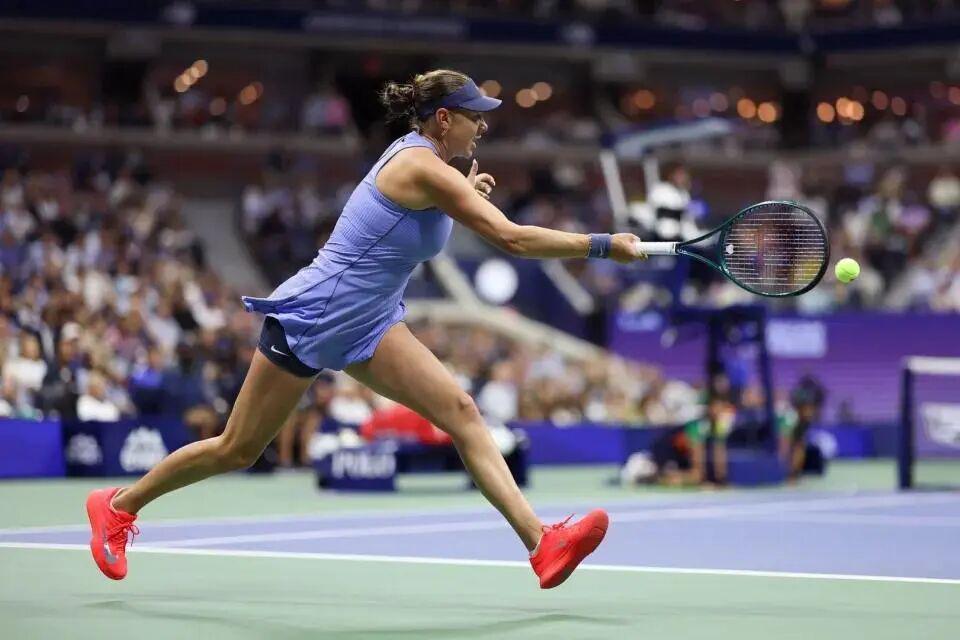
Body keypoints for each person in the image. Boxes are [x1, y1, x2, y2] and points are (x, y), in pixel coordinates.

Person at [85, 69, 647, 589]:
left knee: (461, 411)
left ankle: (542, 544)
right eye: (474, 115)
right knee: (238, 449)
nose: (483, 126)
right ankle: (118, 507)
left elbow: (418, 224)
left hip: (372, 324)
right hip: (316, 315)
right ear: (443, 119)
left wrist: (462, 195)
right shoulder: (420, 166)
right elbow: (513, 239)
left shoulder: (437, 173)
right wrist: (602, 245)